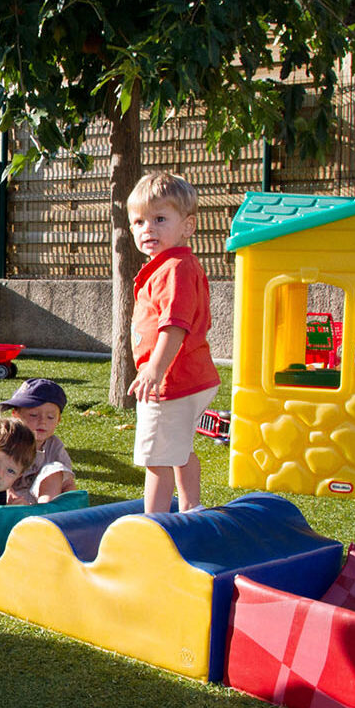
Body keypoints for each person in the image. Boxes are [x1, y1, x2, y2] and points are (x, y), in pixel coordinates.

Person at [124, 171, 221, 514]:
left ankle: (154, 525)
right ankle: (191, 507)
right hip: (186, 378)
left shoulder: (175, 269)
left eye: (159, 219)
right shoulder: (171, 266)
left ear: (188, 226)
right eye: (139, 222)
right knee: (179, 449)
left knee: (156, 459)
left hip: (171, 382)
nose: (147, 228)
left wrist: (155, 369)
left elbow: (175, 325)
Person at [0, 378, 76, 504]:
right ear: (16, 415)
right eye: (33, 415)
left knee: (55, 469)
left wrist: (72, 502)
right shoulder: (8, 441)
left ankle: (46, 511)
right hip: (9, 497)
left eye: (50, 417)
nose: (42, 421)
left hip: (43, 499)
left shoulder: (54, 446)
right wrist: (8, 496)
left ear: (58, 420)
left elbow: (68, 483)